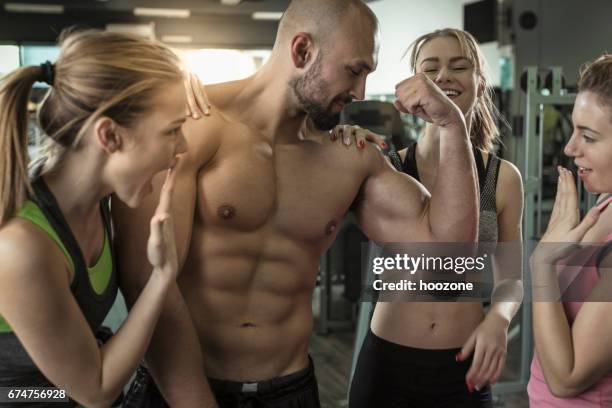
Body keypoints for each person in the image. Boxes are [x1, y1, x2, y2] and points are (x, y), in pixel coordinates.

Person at [114, 1, 479, 407]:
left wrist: (452, 127)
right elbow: (146, 284)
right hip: (181, 389)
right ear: (302, 51)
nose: (359, 93)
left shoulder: (348, 156)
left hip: (291, 392)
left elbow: (447, 259)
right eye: (354, 70)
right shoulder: (188, 127)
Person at [0, 29, 191, 407]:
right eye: (172, 131)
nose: (183, 146)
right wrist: (162, 275)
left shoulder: (97, 201)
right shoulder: (22, 245)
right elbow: (94, 389)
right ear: (109, 136)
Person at [341, 28, 524, 408]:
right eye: (431, 69)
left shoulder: (501, 178)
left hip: (462, 367)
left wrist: (499, 321)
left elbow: (512, 279)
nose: (444, 77)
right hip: (388, 363)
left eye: (459, 67)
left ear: (479, 81)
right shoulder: (384, 168)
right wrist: (341, 146)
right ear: (413, 83)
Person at [528, 53, 612, 407]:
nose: (569, 148)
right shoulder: (603, 206)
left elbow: (567, 378)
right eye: (574, 130)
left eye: (588, 137)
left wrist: (542, 264)